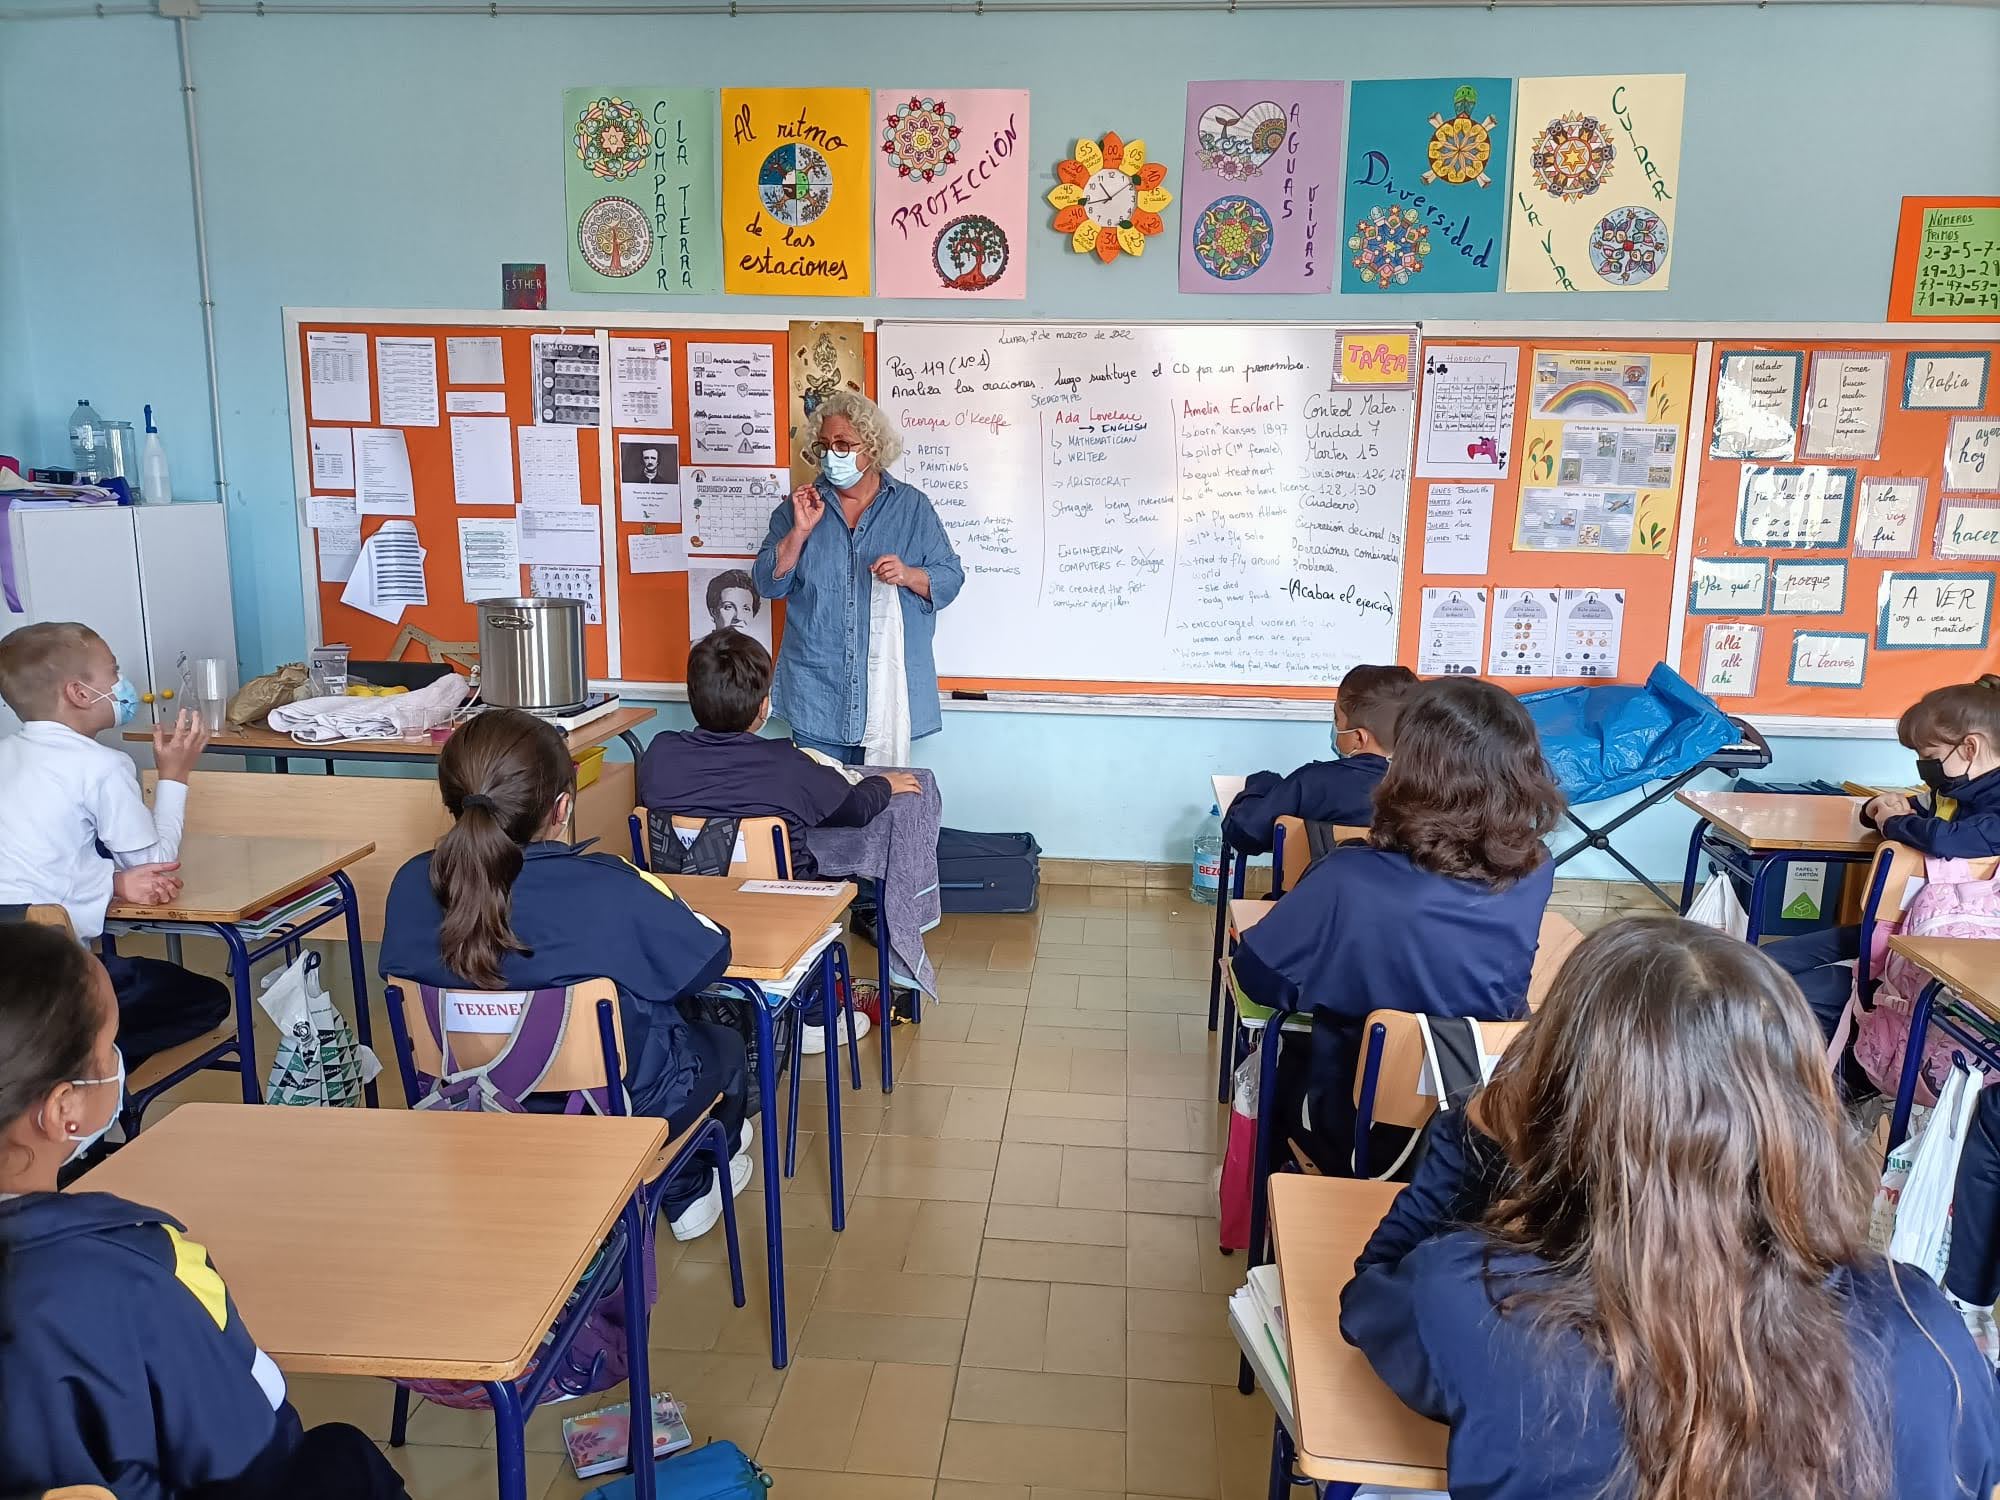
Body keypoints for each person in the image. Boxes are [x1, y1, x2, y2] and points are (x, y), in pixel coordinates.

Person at [1340, 917, 2000, 1500]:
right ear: (1802, 1111)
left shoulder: (1478, 1302)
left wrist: (1470, 1129)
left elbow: (1370, 1295)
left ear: (1555, 1105)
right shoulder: (1924, 1329)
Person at [0, 921, 411, 1500]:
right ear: (63, 1107)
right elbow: (254, 1449)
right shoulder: (141, 1267)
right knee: (340, 1455)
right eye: (109, 1045)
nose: (117, 1060)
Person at [378, 708, 750, 1241]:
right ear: (562, 808)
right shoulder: (611, 888)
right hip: (610, 1118)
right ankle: (687, 1189)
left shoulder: (410, 884)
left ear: (453, 802)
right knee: (723, 1045)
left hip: (463, 1108)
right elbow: (709, 958)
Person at [1231, 676, 1560, 1173]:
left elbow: (1258, 976)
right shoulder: (1536, 868)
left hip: (1358, 1129)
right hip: (1488, 1115)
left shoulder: (1350, 877)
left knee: (1278, 1058)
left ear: (1409, 769)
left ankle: (1292, 1211)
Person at [640, 630, 920, 1056]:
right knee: (830, 883)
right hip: (777, 914)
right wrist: (882, 784)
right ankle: (812, 1017)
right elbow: (853, 809)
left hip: (684, 913)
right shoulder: (786, 763)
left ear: (692, 696)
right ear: (763, 706)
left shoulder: (659, 754)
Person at [0, 621, 230, 1068]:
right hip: (56, 981)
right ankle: (88, 1065)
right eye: (114, 672)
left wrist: (113, 881)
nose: (123, 685)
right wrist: (174, 776)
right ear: (79, 694)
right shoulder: (102, 765)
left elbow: (29, 861)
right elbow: (157, 864)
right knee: (208, 998)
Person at [1766, 674, 2000, 1042]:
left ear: (1970, 747)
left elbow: (1948, 839)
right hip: (1900, 923)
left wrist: (1894, 821)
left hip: (1950, 945)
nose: (1925, 769)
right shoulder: (1953, 789)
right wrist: (1879, 807)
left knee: (1792, 994)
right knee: (1768, 962)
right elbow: (1903, 812)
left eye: (1931, 758)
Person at [752, 390, 964, 765]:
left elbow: (950, 578)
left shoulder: (912, 507)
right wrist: (799, 533)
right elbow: (768, 583)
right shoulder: (799, 507)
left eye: (844, 444)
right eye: (825, 446)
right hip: (817, 698)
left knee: (882, 814)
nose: (832, 455)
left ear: (873, 447)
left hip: (887, 699)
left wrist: (910, 574)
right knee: (820, 814)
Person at [1222, 663, 1417, 856]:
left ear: (1358, 738)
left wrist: (1259, 784)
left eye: (1337, 718)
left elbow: (1245, 832)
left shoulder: (1314, 782)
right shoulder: (1431, 789)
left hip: (1320, 887)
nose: (1335, 725)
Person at [706, 568, 761, 633]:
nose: (738, 617)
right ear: (713, 612)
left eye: (746, 609)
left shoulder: (758, 643)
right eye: (729, 607)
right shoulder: (698, 643)